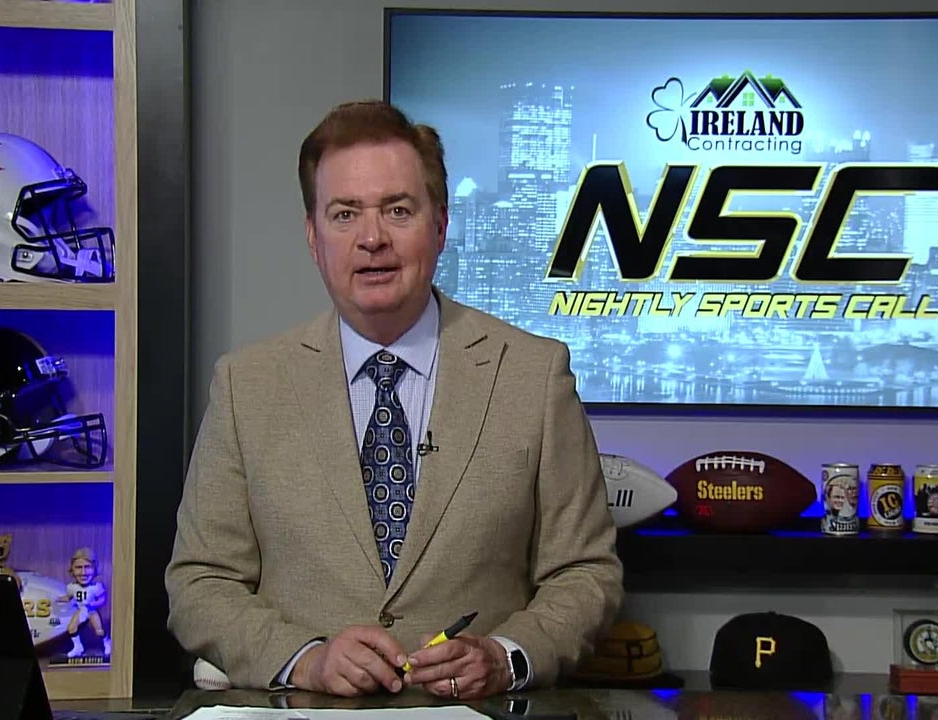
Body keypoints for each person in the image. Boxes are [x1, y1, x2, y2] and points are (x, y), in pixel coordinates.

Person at [165, 99, 623, 700]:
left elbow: (586, 573)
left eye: (398, 210)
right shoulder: (246, 385)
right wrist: (305, 660)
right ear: (313, 237)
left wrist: (506, 656)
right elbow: (200, 583)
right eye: (344, 214)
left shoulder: (533, 375)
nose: (372, 238)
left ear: (440, 224)